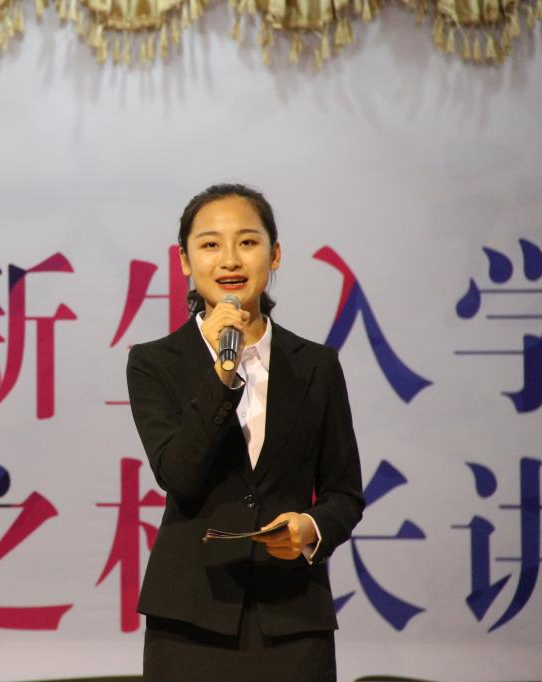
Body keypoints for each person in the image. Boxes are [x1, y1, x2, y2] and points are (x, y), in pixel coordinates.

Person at [126, 183, 365, 681]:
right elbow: (179, 474)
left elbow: (344, 492)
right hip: (190, 618)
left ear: (274, 255)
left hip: (293, 619)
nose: (230, 259)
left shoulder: (316, 365)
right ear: (185, 261)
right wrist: (221, 373)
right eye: (210, 244)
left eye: (248, 242)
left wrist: (311, 528)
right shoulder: (154, 363)